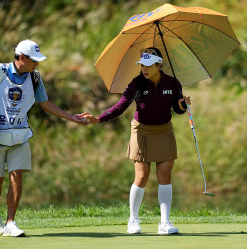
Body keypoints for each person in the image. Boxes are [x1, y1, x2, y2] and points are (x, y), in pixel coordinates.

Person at [0, 39, 82, 237]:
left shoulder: (34, 77)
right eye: (34, 60)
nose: (37, 64)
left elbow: (46, 104)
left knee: (17, 178)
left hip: (20, 136)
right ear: (22, 58)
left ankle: (10, 222)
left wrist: (72, 117)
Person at [81, 47, 191, 235]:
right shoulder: (136, 84)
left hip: (164, 130)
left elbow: (178, 109)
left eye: (149, 65)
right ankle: (133, 220)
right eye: (142, 65)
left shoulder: (173, 83)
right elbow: (120, 106)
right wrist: (99, 118)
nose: (144, 69)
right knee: (141, 177)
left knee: (165, 176)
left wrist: (182, 105)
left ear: (159, 65)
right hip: (141, 130)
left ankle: (164, 223)